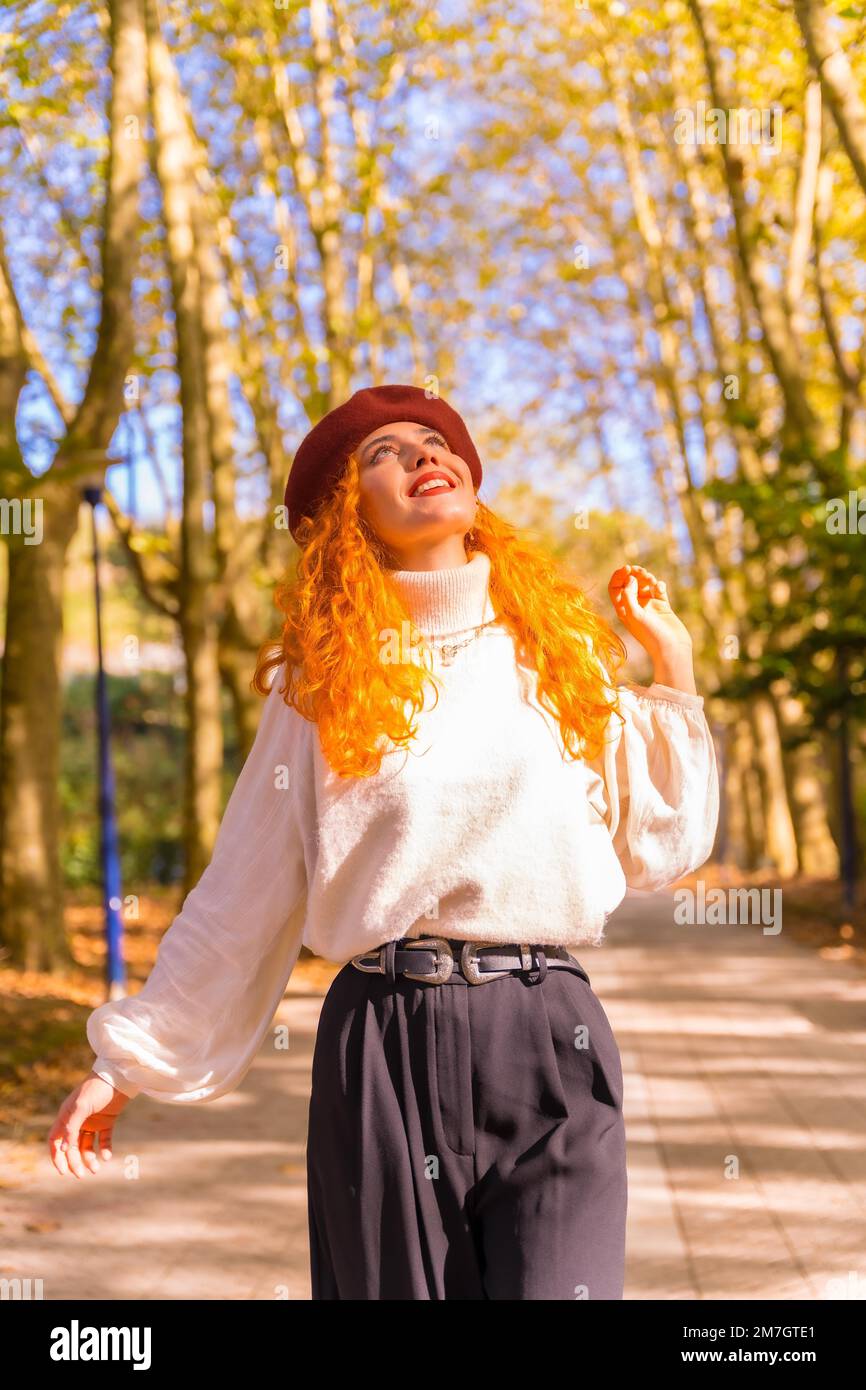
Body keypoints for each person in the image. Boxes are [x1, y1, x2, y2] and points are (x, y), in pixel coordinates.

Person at [48, 383, 719, 1300]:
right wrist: (126, 1064)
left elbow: (660, 845)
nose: (421, 455)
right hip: (381, 1044)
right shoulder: (318, 684)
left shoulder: (561, 655)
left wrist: (670, 664)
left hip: (547, 1034)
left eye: (434, 440)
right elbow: (245, 887)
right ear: (347, 513)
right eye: (385, 453)